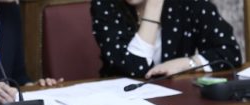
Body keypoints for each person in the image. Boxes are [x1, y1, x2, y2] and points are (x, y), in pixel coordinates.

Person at [90, 0, 242, 78]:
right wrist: (154, 6)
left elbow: (230, 52)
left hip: (177, 101)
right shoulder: (104, 4)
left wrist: (187, 63)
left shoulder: (188, 3)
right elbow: (135, 68)